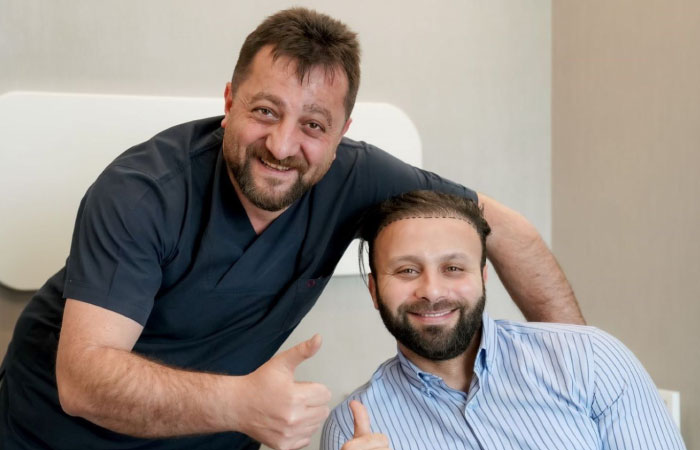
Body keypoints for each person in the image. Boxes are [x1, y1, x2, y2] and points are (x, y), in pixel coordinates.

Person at [0, 8, 583, 450]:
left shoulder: (355, 177)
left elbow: (505, 228)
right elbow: (82, 381)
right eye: (265, 111)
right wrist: (240, 404)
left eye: (313, 125)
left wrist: (582, 375)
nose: (282, 146)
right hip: (48, 434)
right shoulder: (144, 193)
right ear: (230, 101)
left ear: (341, 132)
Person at [321, 190, 685, 450]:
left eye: (453, 268)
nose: (431, 291)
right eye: (407, 270)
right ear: (374, 290)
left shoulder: (593, 361)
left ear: (482, 278)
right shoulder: (353, 430)